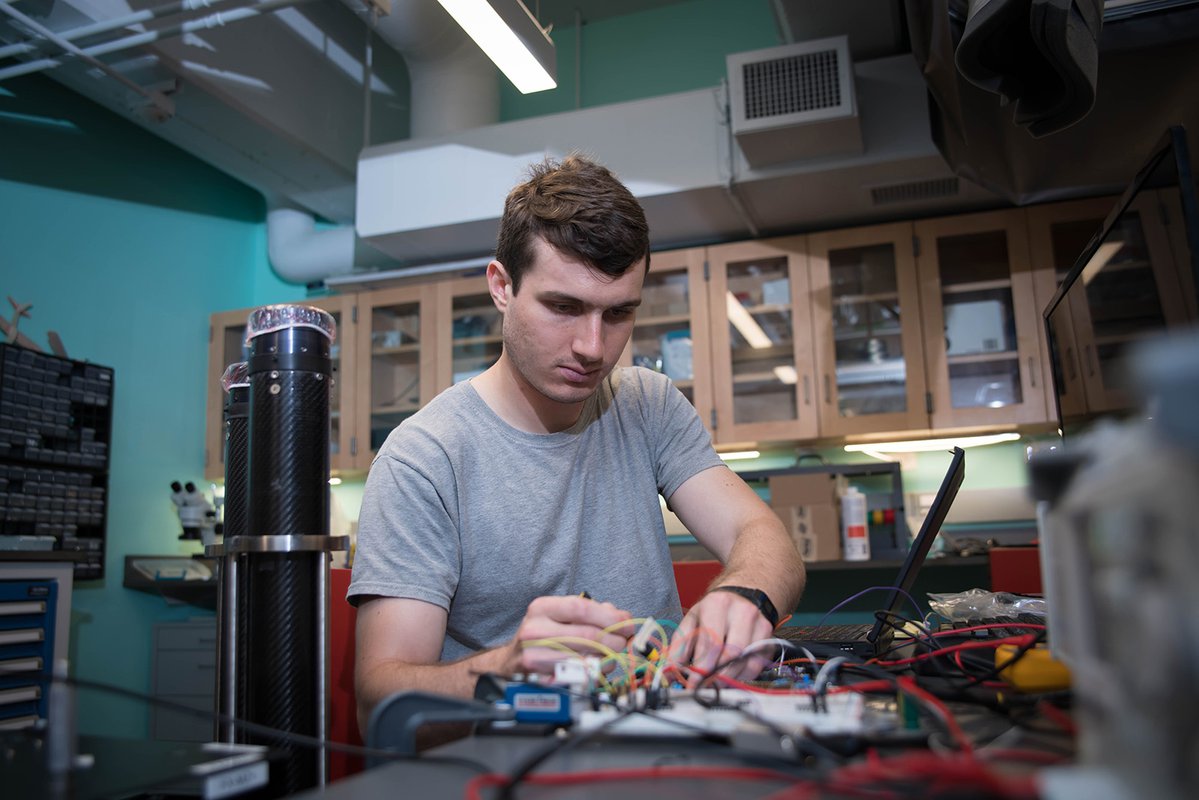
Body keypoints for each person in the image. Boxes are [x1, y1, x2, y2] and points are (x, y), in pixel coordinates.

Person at [349, 154, 805, 733]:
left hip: (661, 745)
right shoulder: (424, 458)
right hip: (507, 764)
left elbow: (765, 539)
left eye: (619, 313)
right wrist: (506, 668)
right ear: (501, 287)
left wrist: (744, 597)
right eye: (564, 307)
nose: (594, 347)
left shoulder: (648, 404)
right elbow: (380, 697)